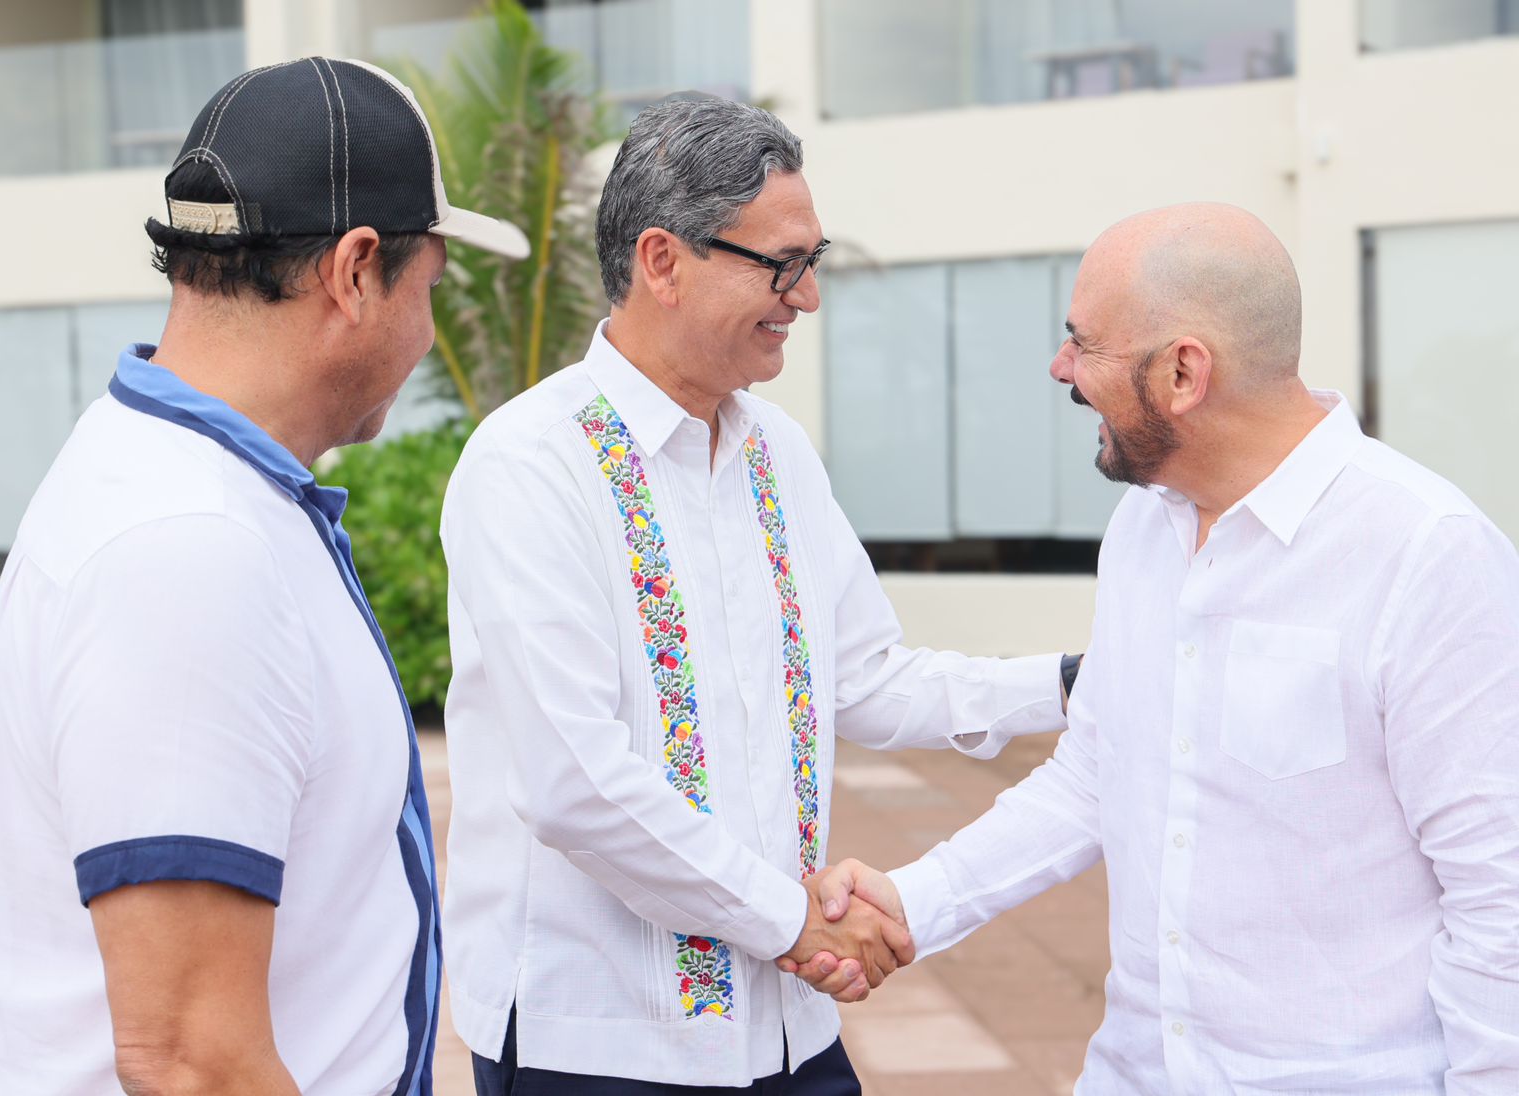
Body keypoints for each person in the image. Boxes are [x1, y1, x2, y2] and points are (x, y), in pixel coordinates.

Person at [790, 203, 1519, 1093]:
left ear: (1183, 371)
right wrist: (911, 903)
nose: (1060, 369)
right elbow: (1097, 771)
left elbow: (1502, 896)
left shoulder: (1426, 554)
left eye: (1082, 343)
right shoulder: (1144, 526)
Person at [436, 95, 1080, 1094]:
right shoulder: (531, 463)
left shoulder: (775, 452)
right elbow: (577, 780)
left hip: (786, 1031)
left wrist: (1075, 684)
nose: (807, 297)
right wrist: (797, 921)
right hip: (601, 1040)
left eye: (811, 261)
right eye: (783, 264)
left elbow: (866, 677)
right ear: (663, 260)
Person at [0, 58, 528, 1095]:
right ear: (356, 270)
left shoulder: (184, 486)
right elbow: (191, 1059)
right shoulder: (187, 546)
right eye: (429, 290)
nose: (425, 332)